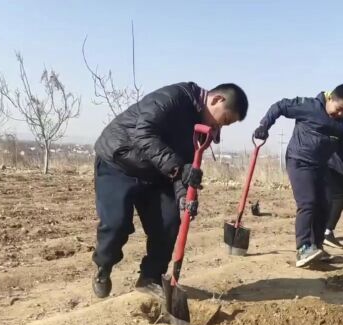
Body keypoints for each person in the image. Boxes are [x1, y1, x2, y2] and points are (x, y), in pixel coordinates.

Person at [92, 82, 248, 298]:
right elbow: (143, 133)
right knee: (117, 223)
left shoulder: (203, 130)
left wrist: (184, 197)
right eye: (224, 121)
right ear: (216, 100)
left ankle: (150, 277)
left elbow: (184, 169)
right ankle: (103, 267)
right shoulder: (173, 97)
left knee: (169, 221)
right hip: (119, 161)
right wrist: (177, 168)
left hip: (157, 172)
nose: (219, 128)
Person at [253, 84, 343, 267]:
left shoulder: (341, 124)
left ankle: (316, 248)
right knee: (308, 202)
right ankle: (303, 248)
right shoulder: (310, 106)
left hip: (321, 165)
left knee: (326, 204)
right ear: (330, 99)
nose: (341, 114)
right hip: (299, 160)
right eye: (339, 109)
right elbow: (281, 106)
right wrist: (264, 125)